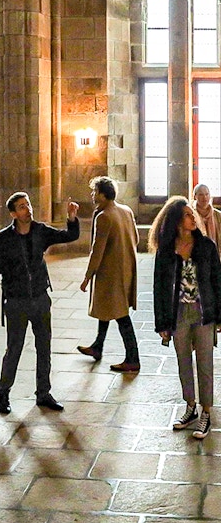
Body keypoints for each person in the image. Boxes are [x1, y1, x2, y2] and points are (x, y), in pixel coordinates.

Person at [0, 192, 80, 414]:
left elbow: (69, 236)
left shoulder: (40, 231)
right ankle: (4, 392)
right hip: (16, 302)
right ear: (13, 213)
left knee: (44, 347)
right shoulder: (3, 239)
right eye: (22, 207)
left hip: (40, 299)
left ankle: (43, 393)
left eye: (29, 204)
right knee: (14, 349)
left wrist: (72, 218)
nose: (28, 209)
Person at [148, 196, 221, 439]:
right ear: (178, 221)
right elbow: (159, 287)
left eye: (193, 215)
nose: (194, 218)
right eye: (189, 215)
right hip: (178, 312)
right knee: (183, 362)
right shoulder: (167, 250)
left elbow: (217, 282)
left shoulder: (206, 246)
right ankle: (190, 406)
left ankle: (206, 412)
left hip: (203, 312)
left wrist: (219, 316)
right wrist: (162, 323)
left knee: (205, 364)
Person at [77, 176, 140, 372]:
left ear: (103, 195)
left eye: (95, 191)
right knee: (106, 307)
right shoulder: (126, 210)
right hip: (125, 268)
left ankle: (132, 358)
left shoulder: (104, 216)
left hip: (111, 273)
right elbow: (136, 238)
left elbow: (98, 250)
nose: (92, 194)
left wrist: (87, 277)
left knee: (120, 314)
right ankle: (97, 346)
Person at [192, 183, 221, 258]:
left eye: (207, 194)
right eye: (201, 195)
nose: (204, 197)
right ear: (195, 196)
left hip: (216, 256)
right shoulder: (191, 215)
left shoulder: (218, 215)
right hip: (197, 255)